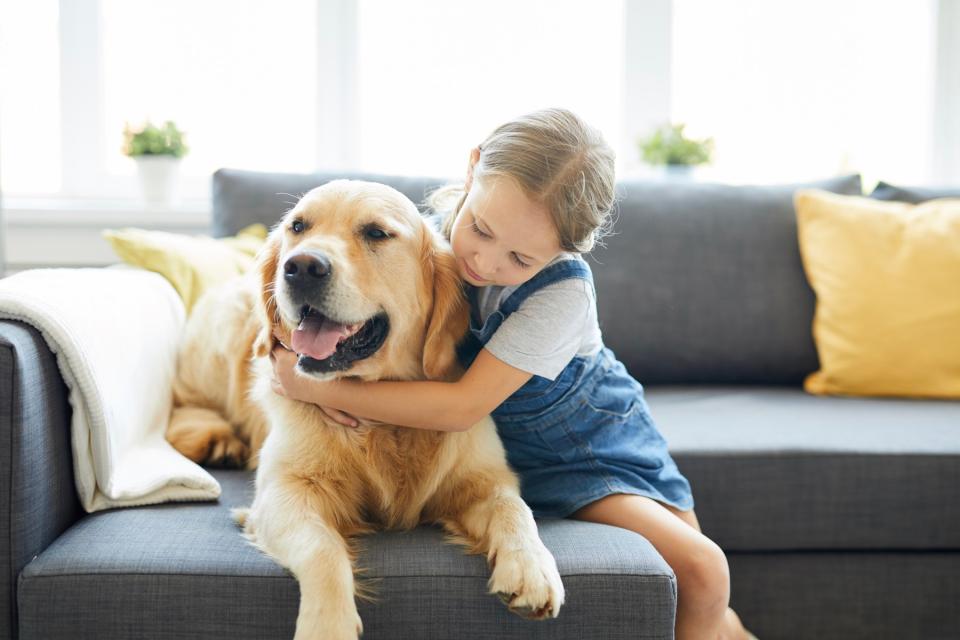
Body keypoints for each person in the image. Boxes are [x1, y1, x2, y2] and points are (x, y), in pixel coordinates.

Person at [270, 108, 753, 640]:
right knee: (700, 585)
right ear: (472, 170)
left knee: (703, 576)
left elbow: (461, 408)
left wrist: (313, 384)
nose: (486, 263)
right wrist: (288, 357)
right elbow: (306, 307)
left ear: (563, 252)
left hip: (587, 450)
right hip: (502, 450)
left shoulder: (561, 296)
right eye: (480, 228)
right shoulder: (423, 245)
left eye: (520, 258)